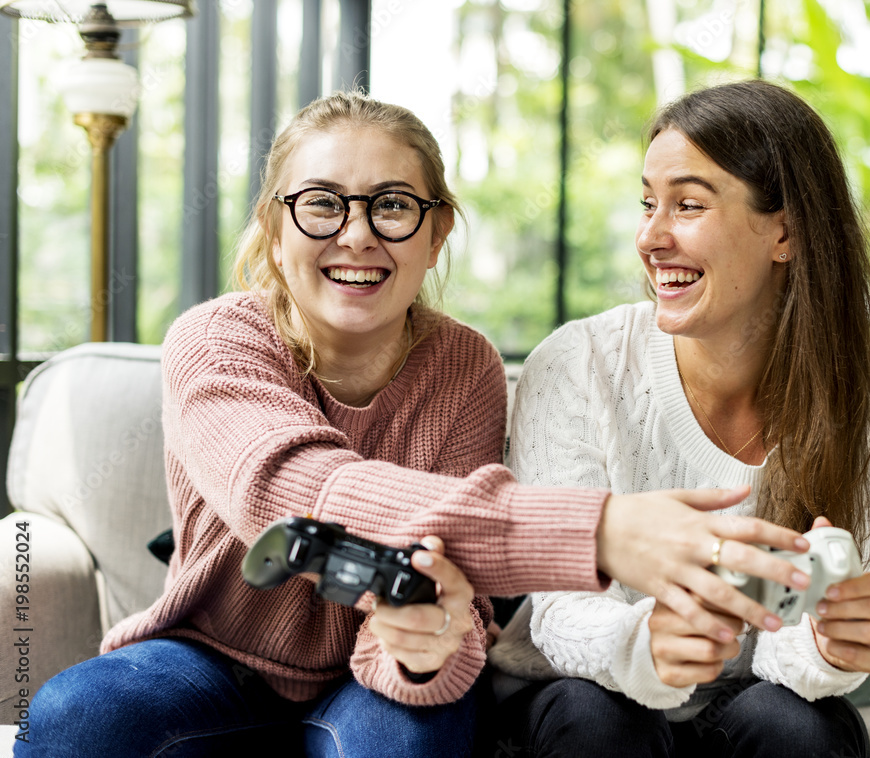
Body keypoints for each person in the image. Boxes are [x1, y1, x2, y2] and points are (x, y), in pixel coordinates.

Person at [18, 91, 814, 758]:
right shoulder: (218, 340)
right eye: (322, 203)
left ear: (437, 234)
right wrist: (597, 532)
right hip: (211, 659)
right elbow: (293, 489)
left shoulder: (464, 367)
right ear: (273, 226)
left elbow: (456, 596)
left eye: (393, 206)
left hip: (373, 676)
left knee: (408, 739)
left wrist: (420, 649)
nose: (357, 233)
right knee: (78, 717)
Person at [487, 79, 870, 758]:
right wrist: (648, 644)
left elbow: (795, 657)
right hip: (579, 690)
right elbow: (561, 616)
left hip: (749, 701)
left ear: (786, 232)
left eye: (687, 205)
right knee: (601, 720)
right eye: (647, 204)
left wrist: (835, 646)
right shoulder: (581, 363)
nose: (649, 237)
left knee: (803, 730)